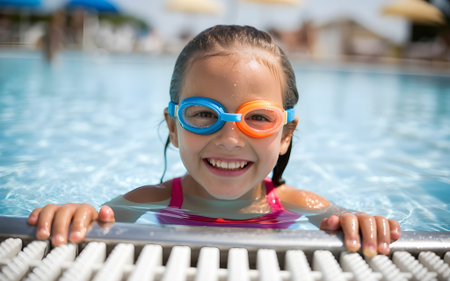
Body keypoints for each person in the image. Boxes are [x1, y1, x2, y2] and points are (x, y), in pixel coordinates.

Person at [28, 25, 401, 257]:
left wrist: (360, 222)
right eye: (204, 114)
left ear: (285, 134)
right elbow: (94, 220)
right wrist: (72, 214)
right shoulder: (150, 199)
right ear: (174, 127)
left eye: (258, 118)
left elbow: (350, 223)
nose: (230, 139)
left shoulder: (301, 204)